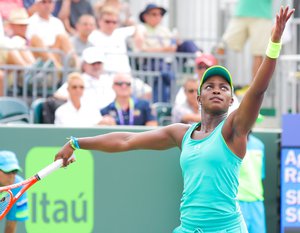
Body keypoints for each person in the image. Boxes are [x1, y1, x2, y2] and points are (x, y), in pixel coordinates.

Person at [54, 6, 294, 232]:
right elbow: (126, 140)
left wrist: (273, 43)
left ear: (232, 100)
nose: (217, 90)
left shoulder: (233, 129)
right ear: (198, 97)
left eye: (224, 87)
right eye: (209, 86)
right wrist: (77, 143)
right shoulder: (182, 134)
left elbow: (257, 90)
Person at [218, 0, 273, 83]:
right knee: (222, 46)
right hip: (241, 12)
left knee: (258, 54)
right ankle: (212, 80)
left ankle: (254, 91)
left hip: (262, 15)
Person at [238, 132, 266, 233]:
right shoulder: (230, 143)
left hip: (257, 201)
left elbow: (261, 175)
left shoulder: (259, 145)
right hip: (237, 202)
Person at [0, 150, 28, 233]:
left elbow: (11, 225)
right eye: (7, 171)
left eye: (14, 171)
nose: (12, 176)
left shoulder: (18, 187)